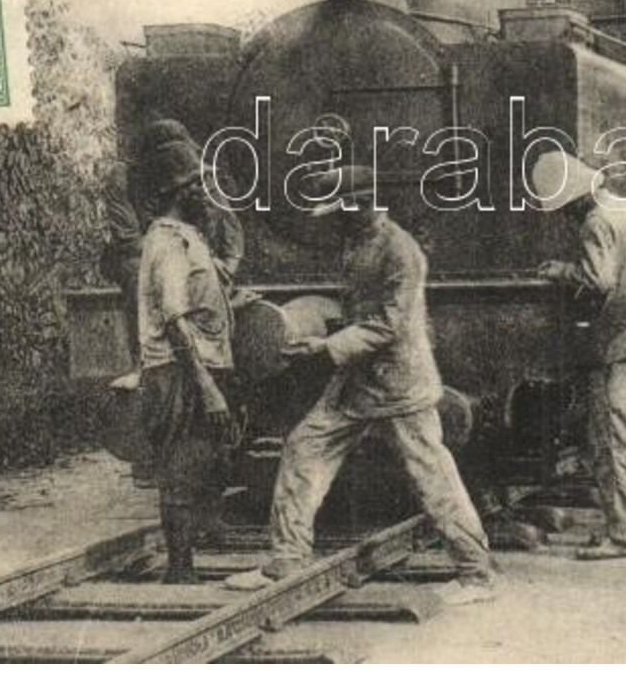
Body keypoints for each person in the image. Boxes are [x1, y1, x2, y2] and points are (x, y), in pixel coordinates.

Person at [227, 166, 495, 600]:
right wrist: (323, 340)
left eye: (338, 210)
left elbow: (388, 324)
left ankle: (477, 574)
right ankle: (287, 560)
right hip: (356, 383)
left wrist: (326, 348)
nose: (332, 220)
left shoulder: (401, 251)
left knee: (433, 477)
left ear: (359, 203)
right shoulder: (356, 241)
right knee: (303, 448)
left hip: (399, 386)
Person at [534, 149, 626, 560]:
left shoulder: (596, 221)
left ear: (572, 199)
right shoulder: (624, 207)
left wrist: (560, 271)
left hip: (619, 341)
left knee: (613, 438)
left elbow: (599, 280)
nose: (564, 217)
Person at [136, 140, 236, 584]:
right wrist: (207, 386)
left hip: (195, 367)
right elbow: (175, 319)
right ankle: (180, 571)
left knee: (199, 460)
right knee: (179, 466)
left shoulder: (186, 237)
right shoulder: (167, 243)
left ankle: (192, 554)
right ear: (181, 191)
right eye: (198, 184)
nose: (206, 191)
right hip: (179, 372)